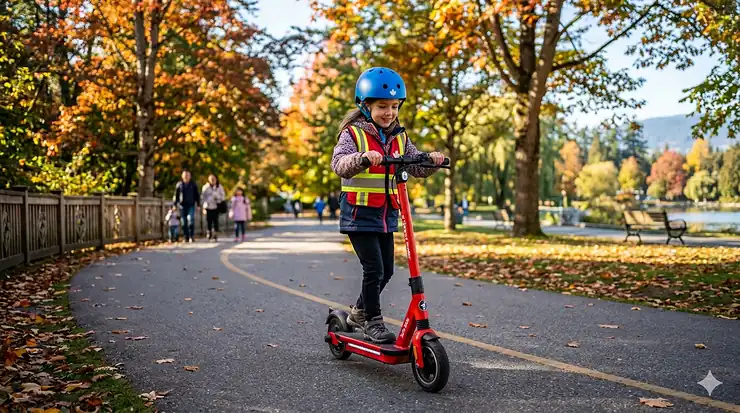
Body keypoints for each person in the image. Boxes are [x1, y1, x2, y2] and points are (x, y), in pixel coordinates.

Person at [331, 67, 445, 344]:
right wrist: (363, 158)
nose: (389, 113)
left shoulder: (400, 137)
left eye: (394, 106)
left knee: (388, 271)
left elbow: (415, 163)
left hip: (386, 216)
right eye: (382, 106)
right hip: (359, 215)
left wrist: (431, 160)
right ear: (365, 105)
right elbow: (339, 165)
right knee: (374, 269)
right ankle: (373, 321)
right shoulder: (352, 135)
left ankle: (359, 311)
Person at [174, 170, 200, 243]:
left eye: (187, 175)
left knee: (191, 220)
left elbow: (197, 195)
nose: (186, 177)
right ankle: (186, 237)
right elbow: (176, 196)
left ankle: (192, 236)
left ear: (190, 176)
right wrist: (174, 205)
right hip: (182, 205)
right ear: (182, 176)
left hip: (191, 205)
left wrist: (198, 204)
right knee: (184, 222)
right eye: (185, 175)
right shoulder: (179, 185)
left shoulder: (193, 184)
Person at [201, 174, 226, 241]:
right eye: (211, 179)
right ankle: (209, 232)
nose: (212, 180)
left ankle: (215, 233)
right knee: (208, 220)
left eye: (213, 179)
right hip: (208, 206)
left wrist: (217, 196)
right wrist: (203, 207)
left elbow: (223, 196)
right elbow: (202, 198)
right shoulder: (205, 187)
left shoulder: (219, 187)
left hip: (216, 206)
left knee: (215, 220)